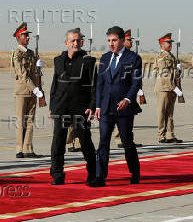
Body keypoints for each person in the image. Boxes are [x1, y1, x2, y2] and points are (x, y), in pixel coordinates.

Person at [92, 26, 141, 187]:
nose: (111, 44)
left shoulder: (133, 58)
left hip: (124, 108)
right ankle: (100, 176)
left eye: (114, 40)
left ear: (121, 40)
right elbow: (100, 83)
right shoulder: (105, 58)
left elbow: (136, 82)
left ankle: (134, 172)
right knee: (103, 142)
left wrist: (128, 98)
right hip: (106, 107)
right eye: (109, 41)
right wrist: (98, 106)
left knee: (127, 142)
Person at [49, 28, 97, 185]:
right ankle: (57, 173)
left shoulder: (88, 61)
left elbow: (93, 86)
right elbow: (54, 84)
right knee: (58, 141)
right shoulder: (58, 60)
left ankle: (92, 172)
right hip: (61, 107)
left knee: (85, 141)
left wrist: (92, 105)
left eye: (78, 40)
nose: (75, 43)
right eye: (72, 41)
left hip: (81, 108)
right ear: (66, 43)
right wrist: (52, 105)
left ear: (81, 42)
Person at [11, 22, 43, 158]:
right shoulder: (17, 53)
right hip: (22, 90)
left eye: (28, 35)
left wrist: (38, 68)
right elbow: (22, 73)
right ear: (19, 37)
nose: (28, 37)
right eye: (25, 35)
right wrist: (35, 88)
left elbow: (33, 72)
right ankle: (19, 148)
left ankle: (28, 148)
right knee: (21, 120)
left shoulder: (31, 53)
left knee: (30, 120)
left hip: (32, 90)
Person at [112, 29, 143, 148]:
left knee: (129, 115)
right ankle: (120, 138)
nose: (131, 42)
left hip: (131, 90)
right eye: (129, 40)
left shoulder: (132, 56)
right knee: (120, 113)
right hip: (121, 89)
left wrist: (139, 88)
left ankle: (128, 138)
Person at [154, 33, 183, 143]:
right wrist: (173, 87)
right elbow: (164, 73)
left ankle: (170, 134)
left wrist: (178, 70)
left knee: (170, 112)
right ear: (162, 44)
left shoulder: (172, 56)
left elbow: (174, 73)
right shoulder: (161, 56)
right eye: (168, 42)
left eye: (171, 42)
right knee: (162, 112)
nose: (171, 44)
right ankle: (161, 135)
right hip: (164, 87)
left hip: (172, 87)